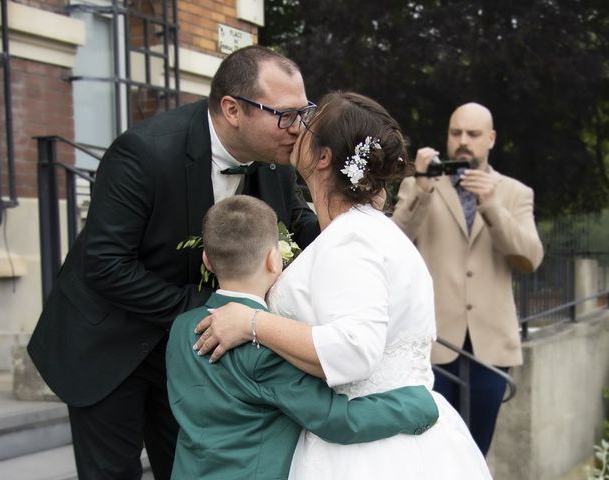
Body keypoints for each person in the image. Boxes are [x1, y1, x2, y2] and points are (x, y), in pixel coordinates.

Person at [26, 45, 323, 479]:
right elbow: (106, 264)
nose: (299, 129)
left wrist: (354, 234)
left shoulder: (275, 163)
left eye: (304, 113)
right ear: (232, 109)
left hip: (188, 352)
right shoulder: (143, 153)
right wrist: (209, 309)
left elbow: (299, 226)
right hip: (108, 344)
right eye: (284, 115)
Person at [193, 91, 492, 479]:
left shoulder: (351, 241)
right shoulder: (370, 231)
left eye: (308, 125)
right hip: (395, 436)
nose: (296, 128)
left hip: (366, 453)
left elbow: (354, 350)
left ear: (323, 158)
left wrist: (251, 323)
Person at [166, 194, 439, 479]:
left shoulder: (181, 328)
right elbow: (337, 420)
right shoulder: (267, 347)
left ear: (207, 260)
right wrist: (416, 405)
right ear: (274, 260)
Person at [391, 102, 544, 455]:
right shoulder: (421, 185)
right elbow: (394, 242)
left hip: (490, 346)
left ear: (490, 139)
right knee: (431, 450)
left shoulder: (515, 193)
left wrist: (491, 204)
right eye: (455, 132)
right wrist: (422, 189)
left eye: (473, 134)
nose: (462, 141)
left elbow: (529, 258)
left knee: (476, 451)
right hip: (433, 341)